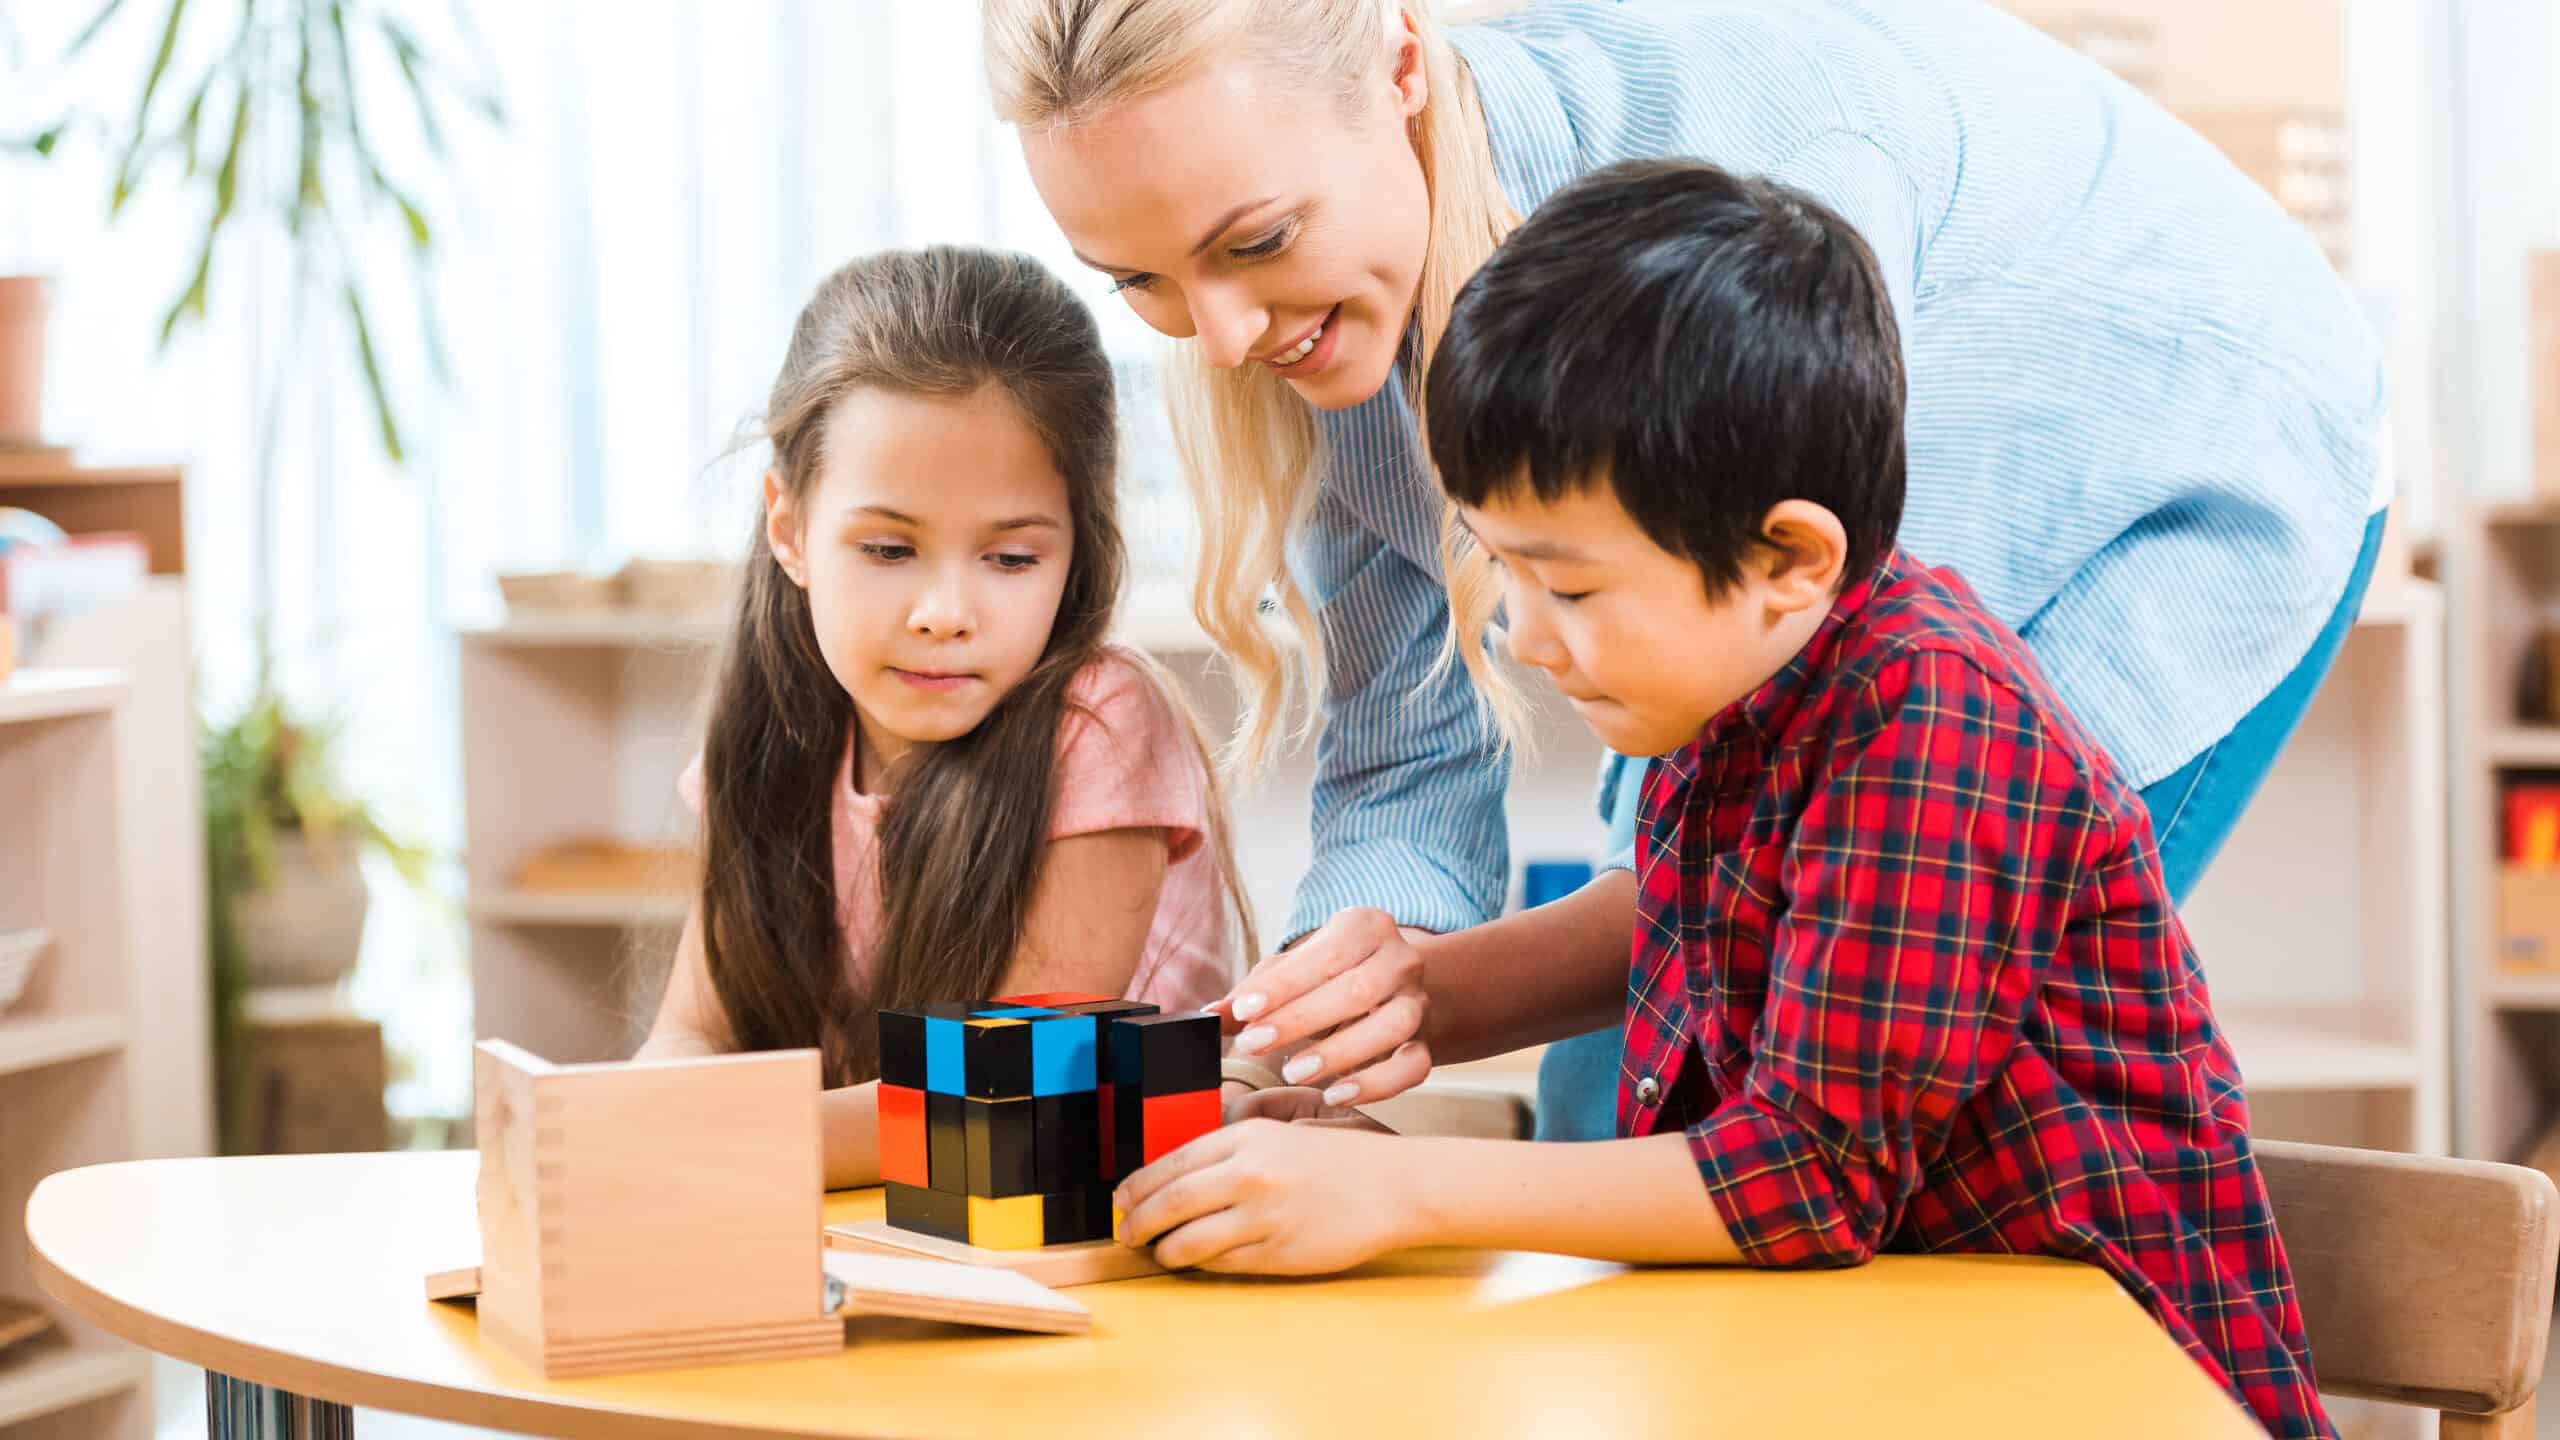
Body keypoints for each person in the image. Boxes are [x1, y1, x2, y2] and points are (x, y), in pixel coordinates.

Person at [981, 0, 2389, 1136]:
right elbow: (1405, 763)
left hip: (2184, 468)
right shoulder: (1319, 327)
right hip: (1826, 586)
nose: (1220, 334)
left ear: (1401, 61)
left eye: (1256, 242)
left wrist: (1446, 1002)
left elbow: (1831, 792)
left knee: (1793, 1090)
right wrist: (1338, 1025)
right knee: (1619, 1087)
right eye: (1145, 282)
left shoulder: (1753, 210)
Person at [1116, 159, 2333, 1439]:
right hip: (1875, 1363)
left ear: (1787, 559)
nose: (1525, 636)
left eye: (1568, 587)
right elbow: (1676, 918)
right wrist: (1423, 998)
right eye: (1498, 563)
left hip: (2102, 1393)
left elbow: (1803, 1181)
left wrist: (1406, 1191)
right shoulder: (1750, 674)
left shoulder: (1929, 718)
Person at [635, 246, 1251, 1187]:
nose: (945, 612)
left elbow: (1009, 1103)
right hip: (881, 1223)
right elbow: (690, 1031)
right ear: (790, 528)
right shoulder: (775, 737)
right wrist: (642, 1121)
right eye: (889, 549)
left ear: (1077, 549)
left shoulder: (1100, 724)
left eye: (1010, 560)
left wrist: (701, 1133)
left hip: (1104, 1238)